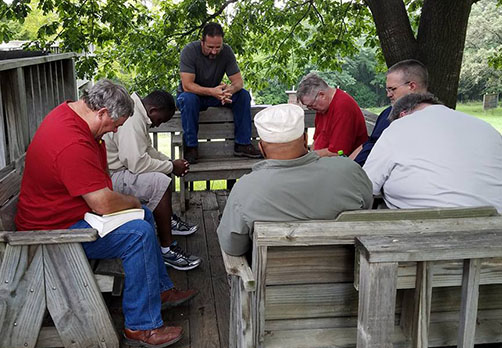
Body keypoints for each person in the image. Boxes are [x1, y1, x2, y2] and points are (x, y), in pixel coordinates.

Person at [15, 80, 197, 348]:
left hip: (69, 214)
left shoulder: (75, 117)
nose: (115, 130)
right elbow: (102, 203)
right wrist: (132, 201)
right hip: (51, 231)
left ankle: (160, 291)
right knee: (137, 234)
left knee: (144, 216)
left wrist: (135, 207)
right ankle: (140, 327)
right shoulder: (71, 141)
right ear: (101, 113)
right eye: (116, 124)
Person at [217, 104, 373, 256]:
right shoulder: (350, 171)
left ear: (262, 148)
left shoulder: (245, 189)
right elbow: (366, 207)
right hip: (350, 276)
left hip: (271, 280)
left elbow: (232, 247)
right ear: (305, 139)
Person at [103, 90, 202, 271]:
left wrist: (169, 163)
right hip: (111, 177)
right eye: (159, 121)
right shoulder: (132, 120)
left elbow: (147, 150)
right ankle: (167, 249)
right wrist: (171, 167)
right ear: (153, 110)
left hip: (122, 169)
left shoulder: (138, 112)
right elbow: (136, 163)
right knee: (159, 181)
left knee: (161, 171)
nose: (157, 125)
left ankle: (167, 220)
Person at [363, 92, 502, 212]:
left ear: (403, 114)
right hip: (494, 225)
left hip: (426, 227)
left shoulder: (398, 127)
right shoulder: (486, 128)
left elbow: (366, 185)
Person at [177, 22, 261, 164]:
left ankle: (242, 144)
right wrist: (212, 92)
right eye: (210, 47)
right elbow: (187, 85)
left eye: (218, 47)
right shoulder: (189, 51)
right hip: (193, 95)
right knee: (188, 99)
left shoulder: (226, 52)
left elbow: (239, 82)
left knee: (243, 96)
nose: (214, 51)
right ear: (202, 42)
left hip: (215, 93)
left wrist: (228, 91)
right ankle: (191, 147)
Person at [351, 59, 429, 166]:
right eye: (387, 90)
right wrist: (349, 165)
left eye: (392, 89)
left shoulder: (426, 120)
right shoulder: (387, 112)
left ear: (411, 86)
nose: (389, 95)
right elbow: (370, 143)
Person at [296, 72, 368, 157]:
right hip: (325, 161)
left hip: (346, 163)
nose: (311, 109)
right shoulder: (322, 109)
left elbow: (338, 152)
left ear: (322, 95)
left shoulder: (343, 106)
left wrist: (309, 157)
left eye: (311, 105)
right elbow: (316, 139)